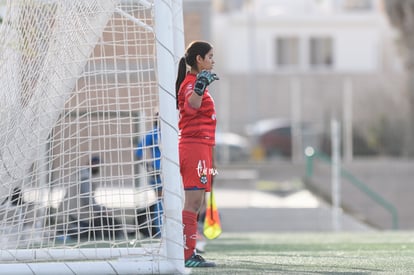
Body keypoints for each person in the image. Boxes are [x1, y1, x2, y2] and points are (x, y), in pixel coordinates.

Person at [175, 40, 219, 268]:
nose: (213, 60)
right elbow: (191, 107)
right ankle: (186, 255)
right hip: (193, 148)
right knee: (192, 203)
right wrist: (200, 86)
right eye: (210, 56)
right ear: (199, 59)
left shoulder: (194, 82)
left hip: (200, 148)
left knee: (196, 202)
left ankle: (188, 252)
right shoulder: (191, 83)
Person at [136, 115, 163, 237]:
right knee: (161, 201)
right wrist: (149, 168)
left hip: (162, 171)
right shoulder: (154, 133)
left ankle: (161, 230)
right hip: (158, 172)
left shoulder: (170, 133)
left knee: (162, 201)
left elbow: (138, 153)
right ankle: (160, 230)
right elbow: (138, 152)